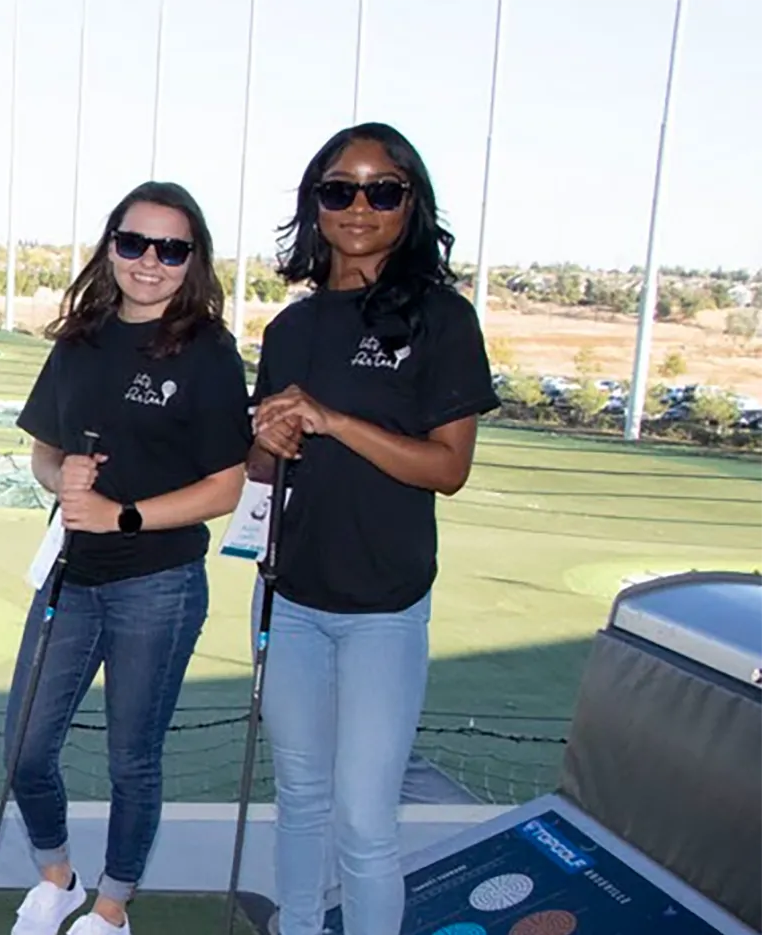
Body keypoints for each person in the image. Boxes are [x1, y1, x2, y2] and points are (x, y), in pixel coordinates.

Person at [249, 122, 499, 935]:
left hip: (384, 611)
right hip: (294, 601)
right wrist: (270, 438)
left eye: (382, 190)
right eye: (339, 189)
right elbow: (264, 470)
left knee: (362, 819)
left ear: (410, 204)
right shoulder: (291, 330)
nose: (360, 206)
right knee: (300, 803)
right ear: (314, 204)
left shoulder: (441, 318)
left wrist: (332, 419)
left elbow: (447, 467)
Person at [3, 183, 253, 935]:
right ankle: (59, 877)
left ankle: (111, 907)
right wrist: (60, 477)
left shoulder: (208, 351)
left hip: (160, 582)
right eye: (135, 242)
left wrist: (125, 514)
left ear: (192, 260)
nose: (150, 262)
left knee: (131, 760)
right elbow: (47, 450)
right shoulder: (80, 338)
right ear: (110, 245)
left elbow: (228, 485)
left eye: (171, 248)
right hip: (70, 575)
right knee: (24, 749)